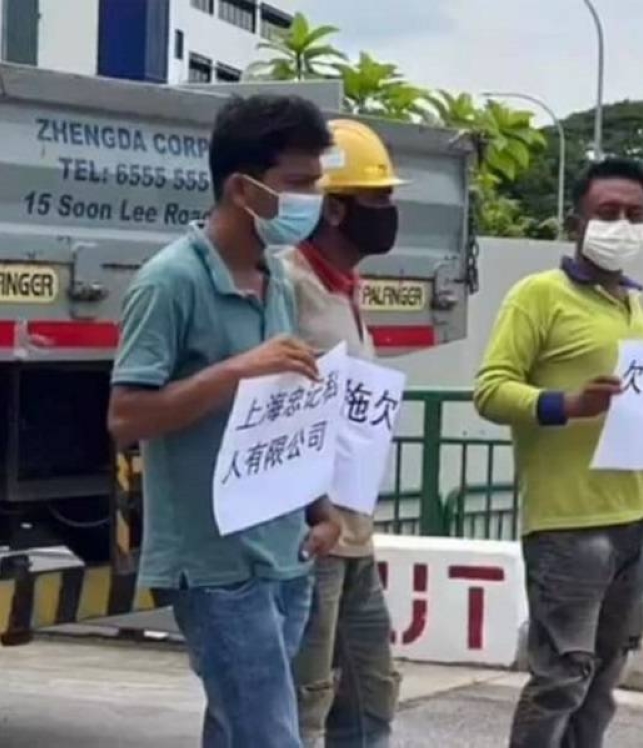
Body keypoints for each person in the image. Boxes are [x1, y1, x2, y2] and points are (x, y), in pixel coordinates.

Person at [107, 95, 342, 748]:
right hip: (213, 563)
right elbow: (126, 416)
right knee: (270, 735)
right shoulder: (170, 282)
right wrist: (239, 370)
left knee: (240, 730)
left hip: (282, 550)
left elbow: (279, 408)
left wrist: (318, 510)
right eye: (299, 184)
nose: (313, 199)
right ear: (243, 188)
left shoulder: (276, 276)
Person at [474, 158, 643, 748]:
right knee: (561, 678)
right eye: (608, 212)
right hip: (567, 522)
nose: (622, 224)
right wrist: (568, 405)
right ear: (575, 219)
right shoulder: (538, 294)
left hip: (633, 514)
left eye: (635, 214)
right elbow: (491, 390)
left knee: (604, 681)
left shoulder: (633, 304)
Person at [281, 119, 404, 748]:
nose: (390, 212)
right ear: (335, 208)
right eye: (378, 199)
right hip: (312, 532)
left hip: (355, 532)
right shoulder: (290, 285)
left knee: (370, 690)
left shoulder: (347, 287)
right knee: (304, 699)